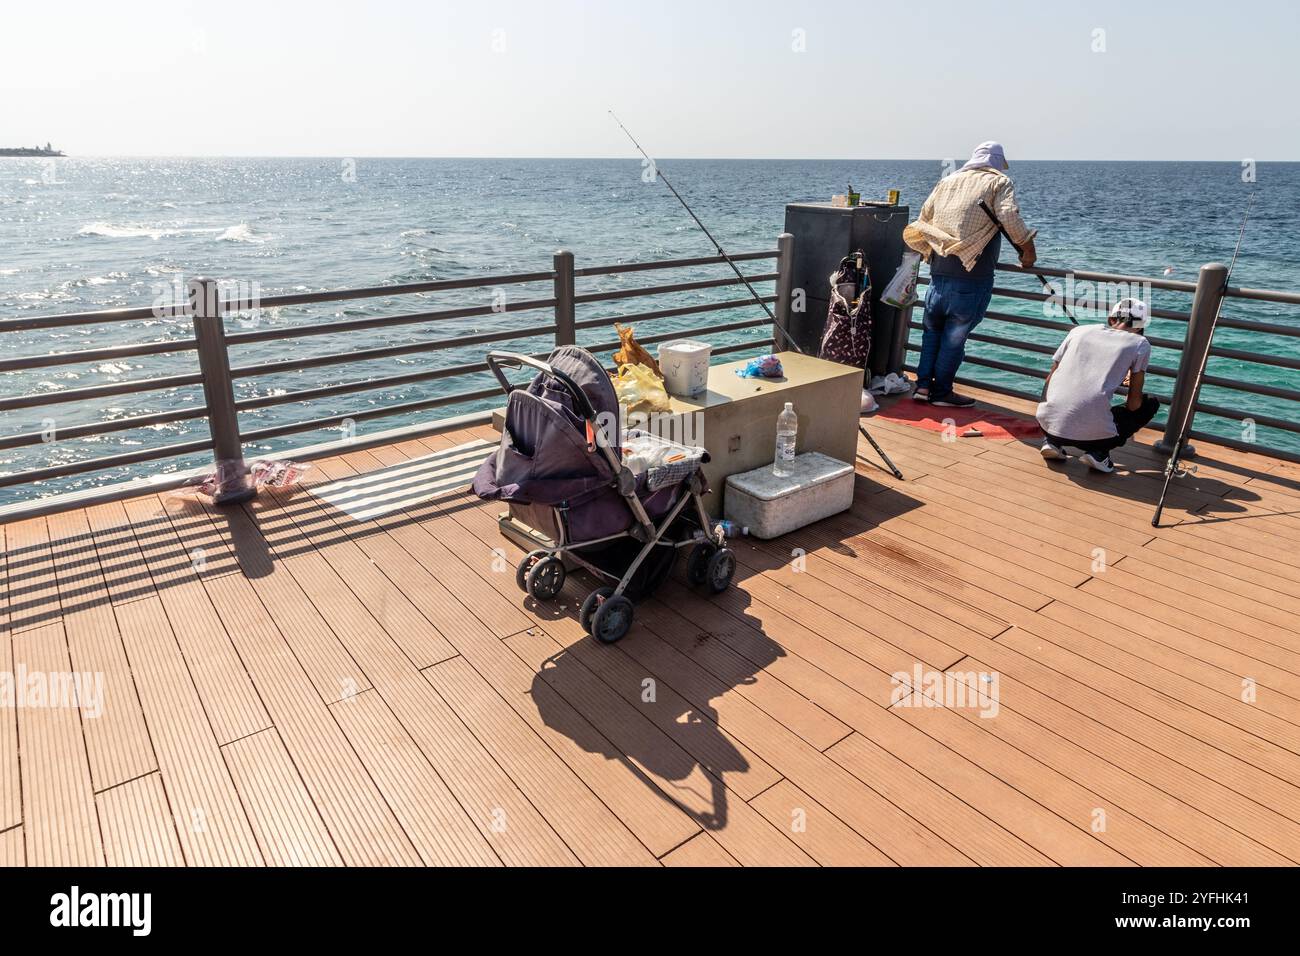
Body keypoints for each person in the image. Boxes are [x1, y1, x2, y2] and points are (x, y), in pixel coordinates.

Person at [903, 141, 1037, 407]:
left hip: (938, 274)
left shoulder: (947, 181)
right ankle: (941, 393)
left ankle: (922, 388)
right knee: (954, 339)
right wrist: (1028, 251)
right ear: (998, 162)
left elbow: (924, 218)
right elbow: (1009, 215)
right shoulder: (999, 183)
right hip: (972, 276)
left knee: (932, 333)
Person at [1036, 298, 1160, 473]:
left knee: (1059, 394)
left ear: (1111, 319)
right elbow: (1133, 405)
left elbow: (1050, 379)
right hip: (1094, 438)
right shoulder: (1140, 344)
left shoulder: (1079, 331)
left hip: (1046, 423)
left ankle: (1052, 441)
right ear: (1140, 326)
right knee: (1150, 403)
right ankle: (1099, 453)